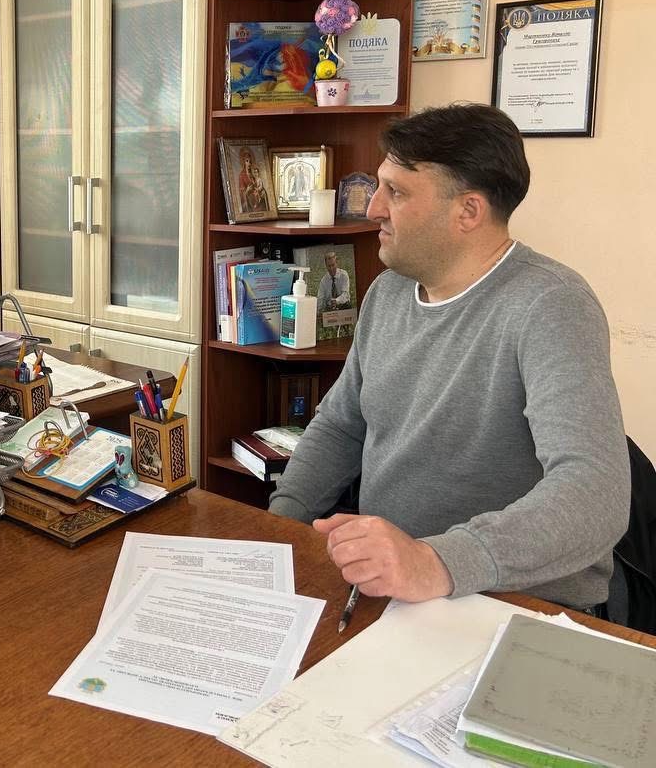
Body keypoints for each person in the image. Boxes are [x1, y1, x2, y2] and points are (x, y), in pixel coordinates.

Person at [269, 104, 628, 611]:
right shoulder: (389, 291)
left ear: (468, 212)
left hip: (509, 602)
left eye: (396, 192)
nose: (373, 209)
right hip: (391, 589)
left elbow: (595, 493)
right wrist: (281, 526)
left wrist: (435, 561)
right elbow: (341, 427)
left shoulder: (551, 305)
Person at [316, 250, 351, 316]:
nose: (331, 268)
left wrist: (336, 301)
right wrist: (318, 311)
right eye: (329, 266)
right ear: (326, 266)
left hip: (343, 305)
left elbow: (346, 295)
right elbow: (320, 298)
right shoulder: (323, 281)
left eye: (333, 265)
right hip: (329, 309)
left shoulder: (344, 275)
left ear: (336, 263)